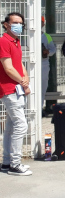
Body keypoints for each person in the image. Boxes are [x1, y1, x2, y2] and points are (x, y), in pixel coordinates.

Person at [0, 12, 32, 175]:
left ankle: (7, 162)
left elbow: (18, 62)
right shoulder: (4, 41)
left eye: (21, 23)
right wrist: (21, 80)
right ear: (6, 24)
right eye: (15, 23)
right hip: (9, 88)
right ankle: (15, 163)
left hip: (17, 87)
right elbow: (8, 67)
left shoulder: (16, 41)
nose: (19, 25)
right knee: (21, 125)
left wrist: (25, 78)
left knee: (11, 126)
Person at [40, 17, 56, 114]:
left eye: (41, 22)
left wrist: (47, 52)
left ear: (43, 24)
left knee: (42, 87)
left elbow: (53, 50)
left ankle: (40, 109)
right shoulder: (26, 35)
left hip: (43, 63)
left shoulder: (47, 36)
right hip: (28, 65)